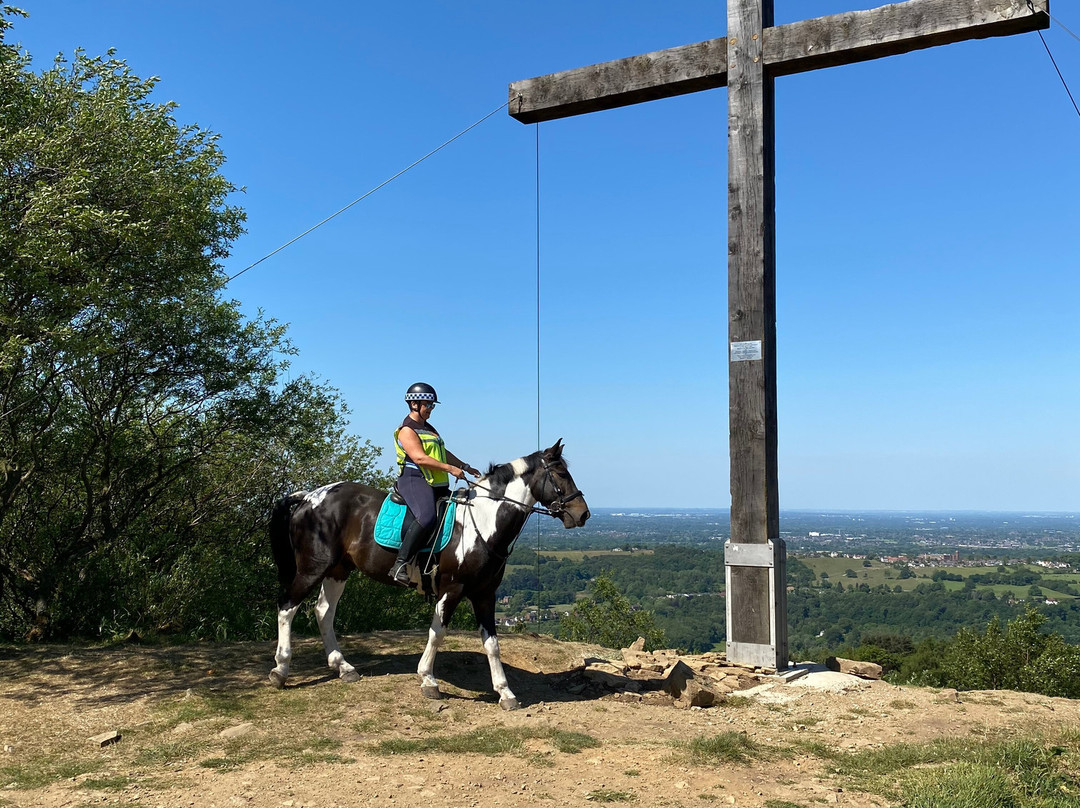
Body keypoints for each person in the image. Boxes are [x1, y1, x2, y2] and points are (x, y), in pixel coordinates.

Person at [391, 382, 480, 584]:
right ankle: (400, 564)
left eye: (433, 406)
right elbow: (420, 458)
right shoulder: (407, 430)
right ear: (415, 405)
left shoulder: (428, 429)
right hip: (414, 480)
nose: (431, 410)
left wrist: (464, 466)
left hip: (434, 482)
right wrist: (450, 469)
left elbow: (443, 453)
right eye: (428, 405)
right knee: (427, 517)